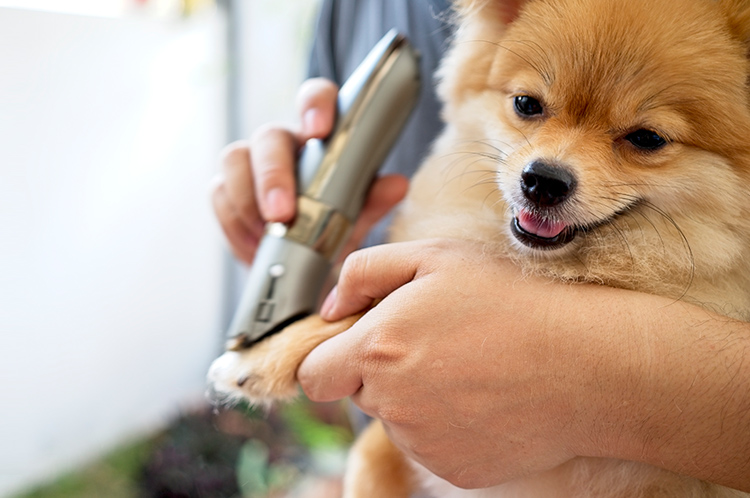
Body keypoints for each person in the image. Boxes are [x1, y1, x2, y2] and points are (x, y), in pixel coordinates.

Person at [212, 0, 750, 492]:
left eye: (646, 139)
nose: (551, 163)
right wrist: (318, 262)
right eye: (529, 104)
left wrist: (598, 372)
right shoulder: (355, 11)